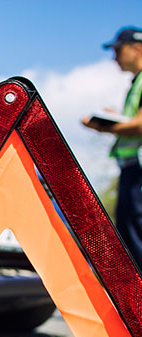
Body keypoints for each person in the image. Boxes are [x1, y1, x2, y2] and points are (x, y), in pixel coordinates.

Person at [82, 27, 142, 270]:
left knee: (136, 231)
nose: (114, 58)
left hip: (138, 170)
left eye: (118, 50)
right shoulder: (136, 82)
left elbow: (139, 125)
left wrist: (106, 126)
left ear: (137, 48)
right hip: (132, 169)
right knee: (130, 231)